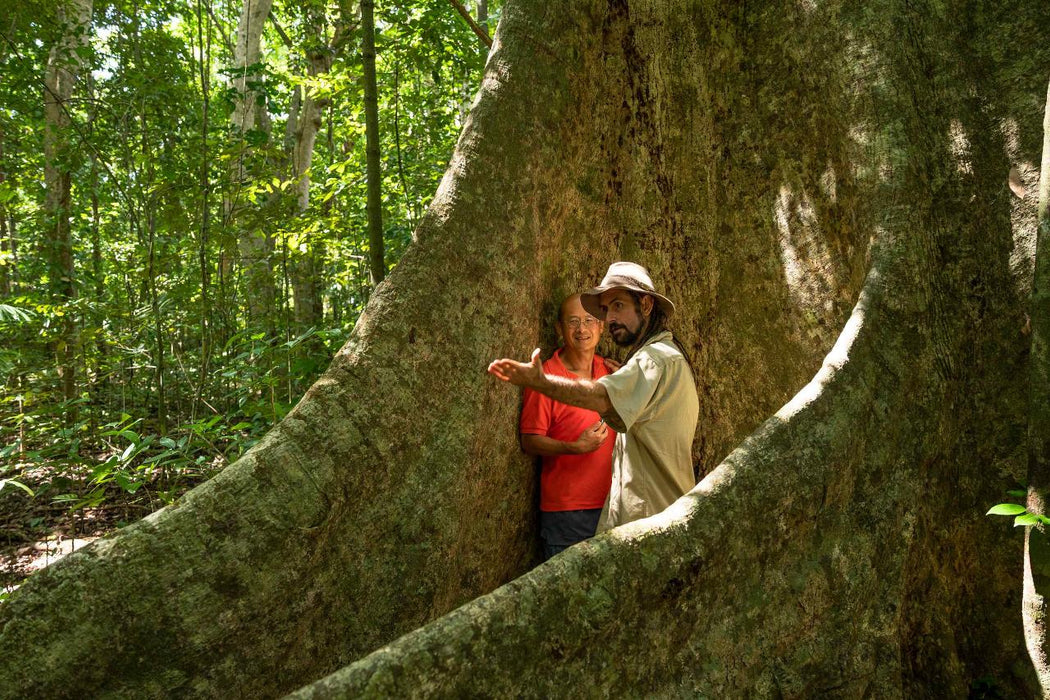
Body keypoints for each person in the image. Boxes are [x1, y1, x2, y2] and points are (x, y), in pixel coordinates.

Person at [488, 262, 698, 532]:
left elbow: (601, 397)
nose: (610, 317)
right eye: (606, 309)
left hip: (651, 518)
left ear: (645, 305)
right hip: (648, 515)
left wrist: (540, 382)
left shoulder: (654, 361)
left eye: (618, 305)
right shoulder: (662, 357)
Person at [520, 294, 616, 560]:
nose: (582, 329)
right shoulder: (546, 379)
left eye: (589, 321)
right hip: (568, 513)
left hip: (614, 505)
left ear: (601, 326)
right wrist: (575, 447)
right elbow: (530, 440)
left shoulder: (611, 373)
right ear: (559, 328)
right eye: (573, 322)